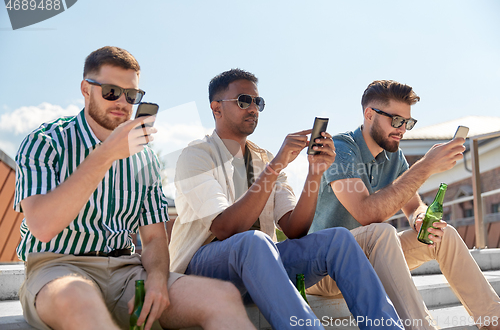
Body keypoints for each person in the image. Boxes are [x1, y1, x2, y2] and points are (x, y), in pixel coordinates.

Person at [14, 46, 255, 330]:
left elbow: (153, 239)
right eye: (110, 92)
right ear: (85, 89)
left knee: (222, 297)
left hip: (127, 271)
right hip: (57, 267)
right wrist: (106, 154)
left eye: (131, 95)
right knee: (76, 298)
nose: (122, 102)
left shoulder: (145, 158)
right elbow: (42, 226)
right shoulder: (45, 141)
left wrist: (156, 280)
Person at [169, 69, 404, 330]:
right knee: (253, 241)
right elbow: (226, 228)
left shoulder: (262, 159)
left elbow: (294, 228)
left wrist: (315, 172)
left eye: (258, 102)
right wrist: (277, 165)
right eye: (243, 100)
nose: (253, 109)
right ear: (216, 108)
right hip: (201, 271)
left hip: (262, 265)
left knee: (339, 239)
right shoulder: (196, 156)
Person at [308, 80, 500, 330]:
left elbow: (413, 204)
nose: (403, 129)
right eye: (396, 121)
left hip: (369, 258)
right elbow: (367, 213)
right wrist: (426, 166)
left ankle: (493, 322)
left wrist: (419, 219)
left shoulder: (394, 155)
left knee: (442, 236)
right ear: (369, 115)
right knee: (382, 231)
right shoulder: (342, 149)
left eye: (408, 123)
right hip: (325, 269)